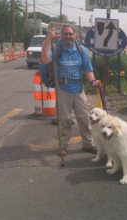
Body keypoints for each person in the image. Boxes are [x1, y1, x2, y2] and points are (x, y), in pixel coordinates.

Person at [41, 24, 100, 156]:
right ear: (61, 36)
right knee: (65, 119)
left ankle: (88, 144)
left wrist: (93, 81)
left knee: (85, 118)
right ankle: (63, 146)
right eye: (66, 34)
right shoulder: (57, 48)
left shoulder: (81, 50)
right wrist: (48, 40)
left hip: (78, 89)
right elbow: (45, 60)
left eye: (70, 34)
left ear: (75, 36)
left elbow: (88, 68)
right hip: (63, 89)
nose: (68, 36)